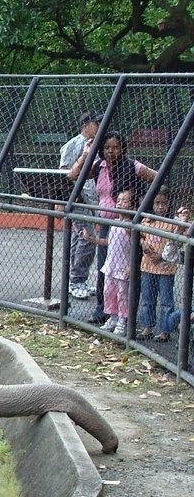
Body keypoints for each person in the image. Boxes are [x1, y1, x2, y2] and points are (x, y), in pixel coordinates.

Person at [67, 131, 157, 324]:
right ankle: (105, 311)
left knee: (125, 272)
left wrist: (142, 204)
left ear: (122, 148)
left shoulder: (132, 166)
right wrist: (86, 153)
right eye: (107, 147)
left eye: (115, 147)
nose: (111, 151)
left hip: (125, 225)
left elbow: (157, 177)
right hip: (107, 225)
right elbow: (73, 174)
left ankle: (127, 316)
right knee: (105, 269)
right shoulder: (99, 166)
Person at [59, 112, 102, 299]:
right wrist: (67, 199)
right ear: (86, 124)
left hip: (93, 198)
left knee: (80, 238)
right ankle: (77, 280)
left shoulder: (97, 144)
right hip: (78, 198)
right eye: (96, 123)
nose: (100, 126)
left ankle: (76, 279)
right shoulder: (74, 144)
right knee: (87, 238)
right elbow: (64, 173)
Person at [81, 190, 133, 336]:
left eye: (125, 201)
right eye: (119, 200)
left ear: (131, 205)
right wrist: (91, 239)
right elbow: (108, 241)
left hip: (123, 266)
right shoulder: (114, 222)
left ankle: (123, 321)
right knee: (109, 292)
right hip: (111, 264)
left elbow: (135, 246)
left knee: (123, 294)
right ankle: (113, 317)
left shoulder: (130, 226)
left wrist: (131, 266)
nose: (121, 203)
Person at [137, 197, 189, 341]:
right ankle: (147, 327)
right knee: (148, 299)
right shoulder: (147, 220)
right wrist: (143, 244)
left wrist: (161, 255)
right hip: (148, 265)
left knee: (166, 301)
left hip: (165, 268)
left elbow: (177, 243)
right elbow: (140, 235)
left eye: (164, 203)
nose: (160, 206)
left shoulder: (172, 223)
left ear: (169, 204)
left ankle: (164, 331)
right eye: (157, 203)